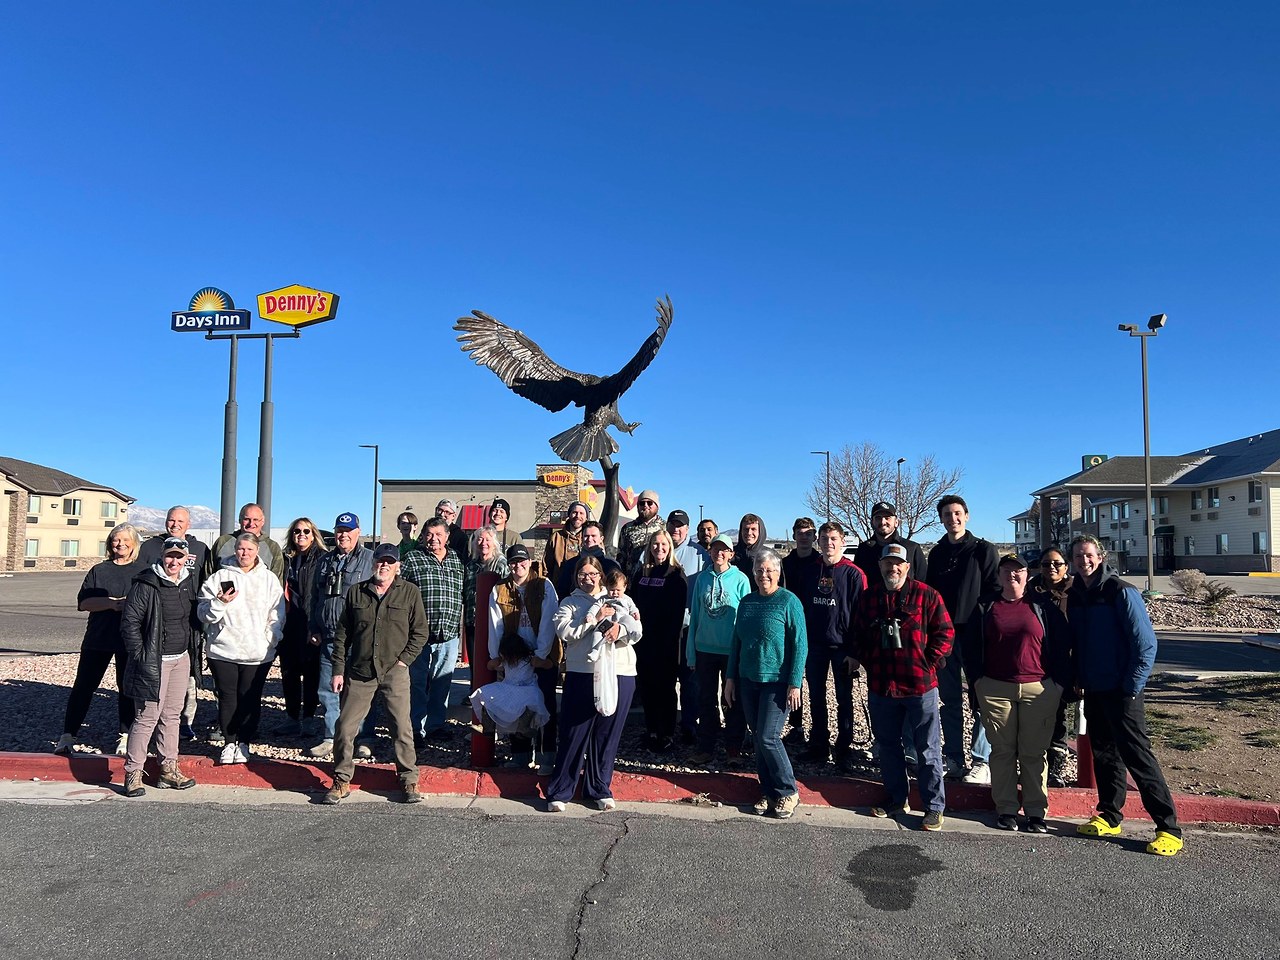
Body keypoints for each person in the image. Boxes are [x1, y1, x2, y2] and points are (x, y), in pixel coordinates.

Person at [1068, 535, 1183, 856]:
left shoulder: (1121, 591)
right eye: (1078, 556)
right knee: (1104, 755)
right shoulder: (1077, 594)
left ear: (1100, 557)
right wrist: (1078, 675)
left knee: (1137, 757)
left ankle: (1168, 828)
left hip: (1123, 691)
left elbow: (1146, 644)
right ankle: (1109, 814)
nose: (1083, 560)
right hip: (1094, 688)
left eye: (1088, 555)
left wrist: (1132, 687)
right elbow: (1079, 642)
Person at [962, 554, 1073, 834]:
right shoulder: (986, 606)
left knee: (1034, 753)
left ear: (1027, 574)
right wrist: (977, 682)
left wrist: (1058, 684)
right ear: (999, 575)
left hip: (1039, 689)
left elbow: (1063, 646)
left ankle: (1036, 811)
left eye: (1018, 570)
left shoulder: (1043, 606)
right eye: (1007, 570)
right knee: (1002, 751)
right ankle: (1007, 809)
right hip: (996, 688)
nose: (1013, 575)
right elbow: (970, 647)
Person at [849, 543, 954, 832]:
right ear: (880, 566)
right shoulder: (869, 598)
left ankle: (934, 806)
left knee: (928, 748)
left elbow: (945, 634)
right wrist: (867, 659)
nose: (892, 568)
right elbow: (857, 634)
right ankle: (897, 798)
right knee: (888, 746)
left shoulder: (926, 594)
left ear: (907, 567)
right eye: (887, 563)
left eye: (898, 564)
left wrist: (927, 662)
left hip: (920, 686)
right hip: (882, 685)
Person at [323, 543, 428, 805]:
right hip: (360, 671)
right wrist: (338, 670)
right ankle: (341, 779)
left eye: (390, 562)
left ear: (397, 566)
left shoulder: (410, 593)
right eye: (381, 560)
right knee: (345, 728)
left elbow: (420, 632)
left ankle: (408, 779)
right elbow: (342, 635)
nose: (384, 565)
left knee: (402, 728)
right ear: (374, 563)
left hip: (395, 671)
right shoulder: (357, 592)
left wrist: (404, 661)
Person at [545, 555, 639, 812]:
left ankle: (599, 787)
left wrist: (621, 630)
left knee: (606, 735)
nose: (588, 579)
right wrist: (593, 619)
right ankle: (561, 789)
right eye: (582, 574)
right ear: (576, 577)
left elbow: (636, 628)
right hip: (583, 672)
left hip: (620, 671)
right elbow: (566, 633)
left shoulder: (620, 598)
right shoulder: (570, 603)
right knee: (574, 732)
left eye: (593, 574)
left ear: (601, 576)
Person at [724, 548, 806, 820]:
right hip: (749, 679)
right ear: (754, 573)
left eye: (769, 570)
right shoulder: (747, 603)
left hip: (777, 682)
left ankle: (788, 790)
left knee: (768, 737)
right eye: (759, 570)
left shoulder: (788, 601)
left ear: (778, 572)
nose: (764, 575)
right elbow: (736, 642)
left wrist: (795, 683)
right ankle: (768, 791)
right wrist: (730, 678)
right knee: (757, 736)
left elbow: (800, 645)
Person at [55, 522, 147, 757]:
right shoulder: (99, 570)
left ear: (134, 544)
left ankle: (125, 736)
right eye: (116, 539)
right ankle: (68, 735)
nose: (121, 544)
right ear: (110, 543)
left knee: (126, 689)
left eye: (126, 540)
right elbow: (84, 603)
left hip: (130, 639)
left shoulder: (143, 571)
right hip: (98, 638)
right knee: (84, 687)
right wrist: (113, 604)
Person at [118, 537, 201, 797]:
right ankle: (133, 773)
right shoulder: (146, 583)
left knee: (172, 715)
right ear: (162, 556)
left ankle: (168, 769)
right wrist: (140, 655)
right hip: (154, 662)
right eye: (169, 556)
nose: (173, 561)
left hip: (180, 659)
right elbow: (129, 622)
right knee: (146, 717)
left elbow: (194, 619)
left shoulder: (188, 582)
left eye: (179, 556)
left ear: (186, 558)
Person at [925, 494, 999, 784]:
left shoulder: (983, 550)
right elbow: (930, 596)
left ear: (966, 516)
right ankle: (954, 757)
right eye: (946, 515)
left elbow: (994, 592)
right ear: (941, 519)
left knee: (981, 699)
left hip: (976, 635)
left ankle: (981, 759)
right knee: (949, 699)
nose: (952, 519)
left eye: (957, 513)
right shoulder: (938, 553)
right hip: (944, 637)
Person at [199, 533, 286, 763]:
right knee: (227, 697)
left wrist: (271, 638)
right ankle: (229, 742)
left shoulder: (268, 579)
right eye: (240, 549)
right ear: (234, 550)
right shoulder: (220, 577)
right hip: (223, 650)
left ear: (257, 551)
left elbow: (277, 614)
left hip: (257, 652)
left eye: (249, 549)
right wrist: (219, 603)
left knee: (250, 698)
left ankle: (245, 742)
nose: (244, 553)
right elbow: (203, 613)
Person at [798, 521, 867, 767]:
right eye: (825, 538)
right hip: (814, 645)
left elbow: (862, 616)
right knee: (815, 697)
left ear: (842, 541)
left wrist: (856, 652)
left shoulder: (853, 574)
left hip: (843, 648)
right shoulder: (809, 571)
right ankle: (818, 744)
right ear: (819, 541)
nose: (829, 543)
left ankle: (844, 748)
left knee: (843, 699)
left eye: (834, 539)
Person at [138, 506, 209, 739]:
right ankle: (150, 721)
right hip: (158, 621)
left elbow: (207, 582)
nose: (175, 524)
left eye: (180, 521)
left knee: (189, 676)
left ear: (188, 524)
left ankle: (185, 721)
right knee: (155, 674)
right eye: (171, 520)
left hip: (190, 622)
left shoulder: (200, 549)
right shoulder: (150, 547)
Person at [486, 542, 559, 770]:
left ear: (530, 561)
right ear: (509, 564)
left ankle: (547, 756)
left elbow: (549, 621)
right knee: (517, 706)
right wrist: (495, 655)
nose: (518, 565)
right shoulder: (499, 589)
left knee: (545, 706)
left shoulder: (543, 585)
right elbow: (495, 624)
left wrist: (541, 654)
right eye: (514, 561)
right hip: (514, 658)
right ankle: (520, 756)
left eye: (522, 560)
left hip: (541, 656)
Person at [307, 512, 374, 758]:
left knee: (362, 690)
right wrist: (313, 627)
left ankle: (364, 738)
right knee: (329, 689)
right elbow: (315, 597)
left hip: (360, 638)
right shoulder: (325, 561)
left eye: (348, 531)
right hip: (330, 636)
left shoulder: (370, 560)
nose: (343, 535)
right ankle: (331, 737)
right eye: (339, 530)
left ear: (358, 532)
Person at [686, 533, 751, 766]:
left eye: (724, 550)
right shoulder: (702, 579)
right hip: (705, 649)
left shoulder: (741, 579)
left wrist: (744, 651)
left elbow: (746, 618)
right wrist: (691, 652)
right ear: (710, 551)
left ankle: (733, 749)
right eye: (715, 549)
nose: (719, 553)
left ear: (731, 554)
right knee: (706, 699)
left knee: (732, 700)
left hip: (731, 650)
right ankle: (706, 747)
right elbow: (695, 615)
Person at [401, 518, 466, 745]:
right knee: (417, 683)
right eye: (429, 534)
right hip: (418, 634)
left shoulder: (458, 561)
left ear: (447, 536)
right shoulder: (412, 559)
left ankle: (436, 725)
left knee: (442, 683)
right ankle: (415, 729)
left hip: (448, 634)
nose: (433, 539)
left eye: (438, 534)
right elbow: (399, 593)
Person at [629, 528, 688, 753]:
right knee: (647, 687)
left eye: (663, 545)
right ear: (649, 548)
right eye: (655, 545)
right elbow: (632, 604)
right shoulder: (641, 573)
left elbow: (676, 614)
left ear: (669, 547)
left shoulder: (675, 575)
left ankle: (667, 733)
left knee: (665, 688)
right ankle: (651, 730)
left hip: (666, 643)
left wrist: (667, 641)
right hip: (643, 642)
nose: (659, 549)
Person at [1028, 547, 1075, 787]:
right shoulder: (1030, 591)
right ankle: (1035, 767)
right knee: (1036, 718)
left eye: (1057, 563)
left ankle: (1057, 765)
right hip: (1036, 664)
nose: (1052, 568)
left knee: (1060, 716)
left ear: (1066, 566)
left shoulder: (1076, 592)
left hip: (1065, 663)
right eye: (1046, 564)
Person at [280, 517, 327, 737]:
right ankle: (291, 717)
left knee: (311, 673)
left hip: (310, 621)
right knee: (288, 671)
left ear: (313, 534)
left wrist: (315, 626)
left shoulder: (322, 559)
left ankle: (308, 717)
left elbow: (320, 596)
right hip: (289, 622)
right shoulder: (286, 559)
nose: (302, 535)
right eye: (297, 531)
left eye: (306, 531)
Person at [668, 508, 708, 745]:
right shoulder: (658, 549)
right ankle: (666, 724)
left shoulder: (700, 554)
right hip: (664, 627)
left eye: (680, 525)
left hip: (689, 627)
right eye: (673, 524)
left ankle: (690, 724)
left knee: (690, 680)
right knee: (665, 679)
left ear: (687, 528)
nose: (676, 529)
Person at [780, 516, 821, 742]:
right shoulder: (785, 564)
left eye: (809, 533)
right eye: (800, 533)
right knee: (792, 678)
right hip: (790, 628)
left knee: (815, 683)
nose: (804, 537)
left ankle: (818, 731)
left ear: (814, 537)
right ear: (794, 535)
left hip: (815, 628)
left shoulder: (821, 563)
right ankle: (796, 727)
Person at [470, 629, 550, 737]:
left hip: (525, 688)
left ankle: (523, 726)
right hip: (509, 686)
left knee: (534, 698)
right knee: (485, 694)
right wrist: (495, 661)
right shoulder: (506, 661)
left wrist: (541, 662)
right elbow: (490, 666)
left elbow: (549, 664)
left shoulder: (528, 659)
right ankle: (488, 726)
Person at [463, 524, 509, 672]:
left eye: (487, 540)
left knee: (492, 662)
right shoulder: (470, 566)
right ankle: (474, 691)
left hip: (493, 623)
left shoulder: (501, 565)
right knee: (475, 663)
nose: (483, 543)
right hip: (472, 620)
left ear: (494, 543)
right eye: (480, 539)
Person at [207, 502, 285, 584]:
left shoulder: (272, 547)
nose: (251, 524)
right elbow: (208, 575)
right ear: (240, 520)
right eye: (247, 519)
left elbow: (277, 583)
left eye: (255, 520)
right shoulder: (222, 542)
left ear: (262, 521)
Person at [853, 501, 927, 586]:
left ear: (896, 522)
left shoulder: (912, 548)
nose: (883, 522)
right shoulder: (864, 549)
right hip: (873, 598)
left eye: (887, 517)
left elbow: (923, 582)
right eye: (878, 518)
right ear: (872, 523)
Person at [555, 521, 620, 602]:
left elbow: (618, 591)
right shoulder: (571, 564)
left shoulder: (611, 565)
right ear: (581, 538)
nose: (589, 539)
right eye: (586, 536)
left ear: (601, 539)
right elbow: (562, 592)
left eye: (593, 536)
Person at [618, 489, 664, 575]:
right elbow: (621, 556)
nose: (645, 506)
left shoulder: (664, 528)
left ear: (657, 506)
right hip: (632, 581)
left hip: (657, 579)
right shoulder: (627, 528)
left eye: (649, 503)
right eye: (642, 503)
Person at [544, 500, 590, 588]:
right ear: (569, 515)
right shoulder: (556, 537)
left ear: (586, 517)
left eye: (581, 513)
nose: (578, 516)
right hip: (559, 587)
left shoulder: (589, 538)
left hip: (582, 588)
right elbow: (546, 565)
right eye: (574, 512)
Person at [731, 513, 768, 590]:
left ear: (760, 532)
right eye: (746, 529)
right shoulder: (731, 554)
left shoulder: (768, 555)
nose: (749, 533)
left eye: (753, 529)